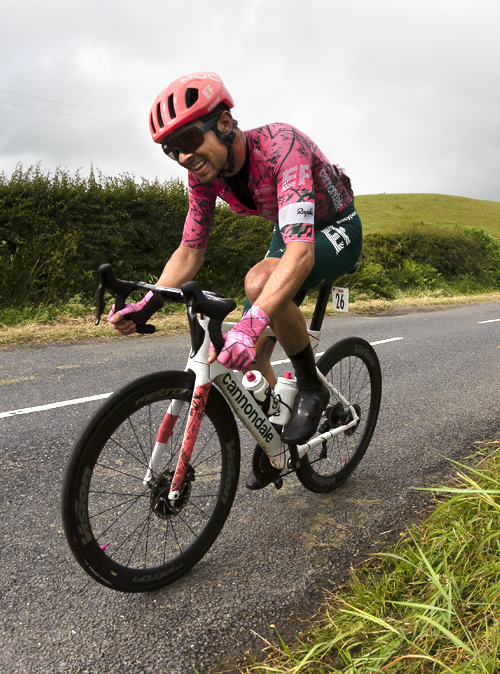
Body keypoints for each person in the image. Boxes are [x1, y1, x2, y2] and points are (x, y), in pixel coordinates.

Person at [108, 71, 362, 488]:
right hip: (291, 226)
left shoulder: (282, 147)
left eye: (189, 141)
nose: (184, 157)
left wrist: (252, 320)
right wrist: (147, 304)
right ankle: (281, 443)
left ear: (224, 124)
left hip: (337, 226)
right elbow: (191, 249)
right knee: (250, 358)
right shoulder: (204, 175)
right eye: (172, 151)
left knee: (258, 286)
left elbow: (299, 254)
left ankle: (311, 386)